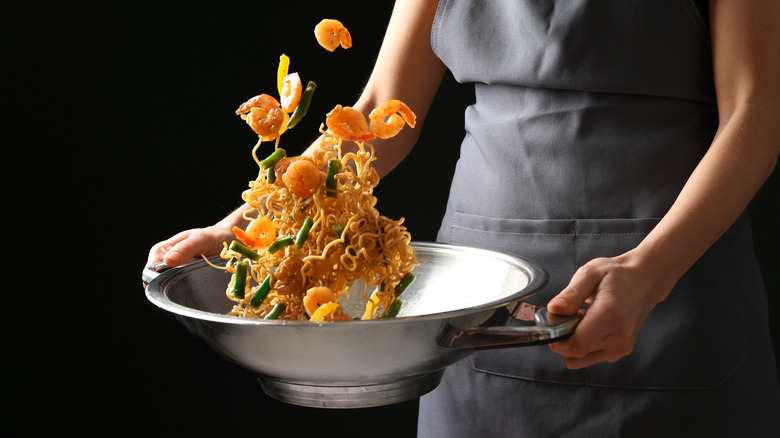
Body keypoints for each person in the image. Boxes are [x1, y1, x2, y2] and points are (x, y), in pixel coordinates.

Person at [148, 0, 780, 435]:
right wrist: (245, 227)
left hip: (669, 291)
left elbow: (754, 113)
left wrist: (649, 269)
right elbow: (379, 112)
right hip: (476, 316)